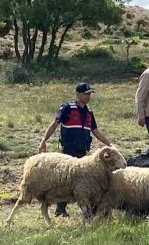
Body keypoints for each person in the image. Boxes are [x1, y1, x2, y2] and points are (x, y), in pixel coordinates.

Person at [38, 82, 112, 217]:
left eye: (89, 94)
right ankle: (60, 209)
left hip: (82, 150)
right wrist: (44, 140)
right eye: (86, 94)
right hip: (69, 150)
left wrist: (109, 145)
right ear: (78, 94)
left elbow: (95, 131)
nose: (88, 96)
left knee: (80, 181)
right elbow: (55, 124)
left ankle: (85, 208)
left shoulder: (89, 112)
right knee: (66, 179)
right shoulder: (68, 108)